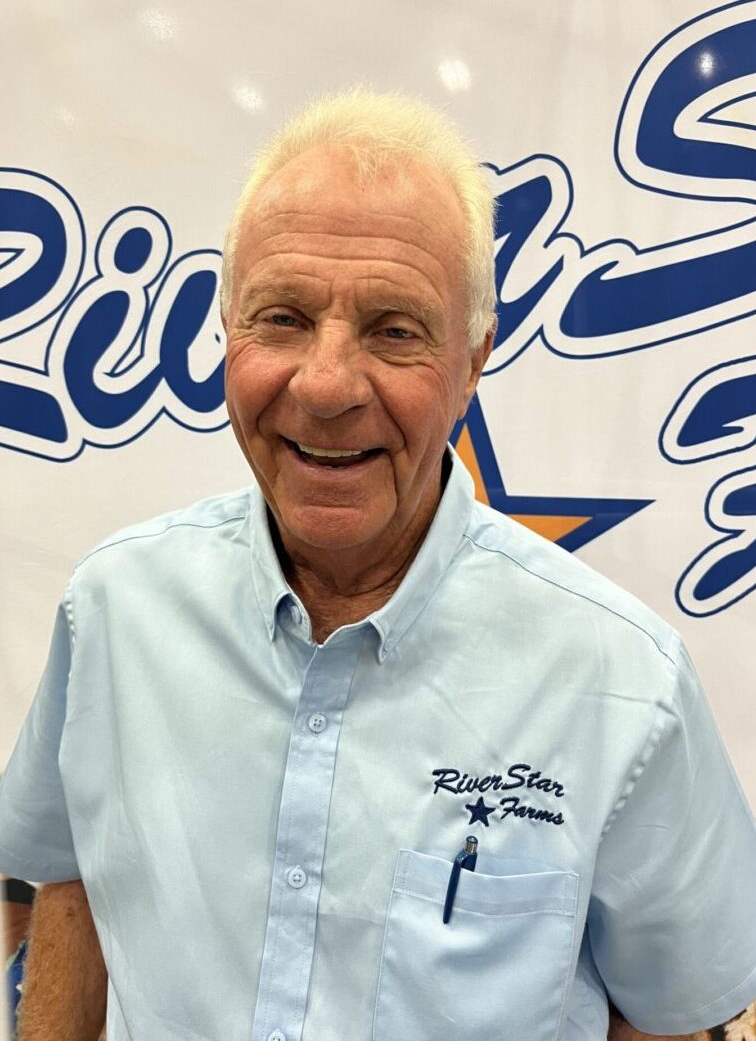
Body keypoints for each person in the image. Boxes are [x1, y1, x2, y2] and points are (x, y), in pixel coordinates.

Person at [0, 89, 754, 1041]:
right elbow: (71, 879)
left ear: (473, 359)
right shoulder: (113, 609)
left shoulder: (623, 685)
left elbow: (671, 1019)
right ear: (228, 333)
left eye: (395, 329)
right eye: (281, 318)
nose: (324, 386)